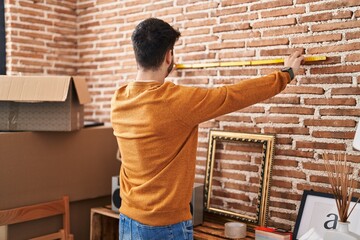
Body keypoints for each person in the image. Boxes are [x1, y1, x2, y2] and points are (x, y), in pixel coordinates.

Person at [111, 17, 303, 240]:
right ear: (168, 56)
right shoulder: (177, 101)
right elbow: (232, 96)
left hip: (128, 220)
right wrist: (286, 74)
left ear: (137, 54)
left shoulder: (119, 99)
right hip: (164, 227)